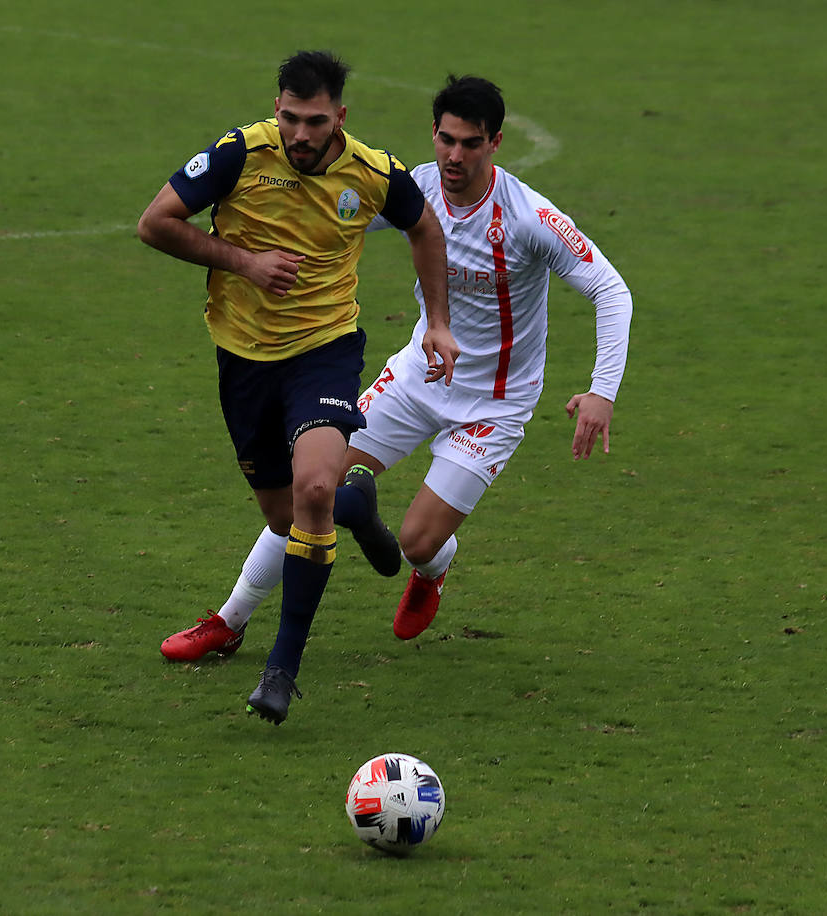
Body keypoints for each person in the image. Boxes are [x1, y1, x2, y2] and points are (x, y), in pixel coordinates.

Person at [160, 74, 630, 659]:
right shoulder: (414, 188)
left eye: (470, 143)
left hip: (495, 402)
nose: (454, 155)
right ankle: (229, 620)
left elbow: (611, 292)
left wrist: (601, 391)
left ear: (496, 143)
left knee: (417, 540)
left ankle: (432, 572)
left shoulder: (530, 217)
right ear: (433, 133)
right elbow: (335, 215)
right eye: (446, 139)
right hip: (416, 378)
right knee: (315, 489)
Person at [138, 51, 458, 725]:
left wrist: (438, 322)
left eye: (315, 122)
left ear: (340, 117)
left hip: (324, 351)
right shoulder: (238, 155)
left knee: (311, 488)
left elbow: (424, 228)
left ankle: (281, 670)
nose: (301, 135)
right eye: (290, 118)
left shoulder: (373, 173)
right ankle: (355, 508)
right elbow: (155, 223)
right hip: (243, 360)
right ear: (276, 108)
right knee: (287, 520)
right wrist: (244, 261)